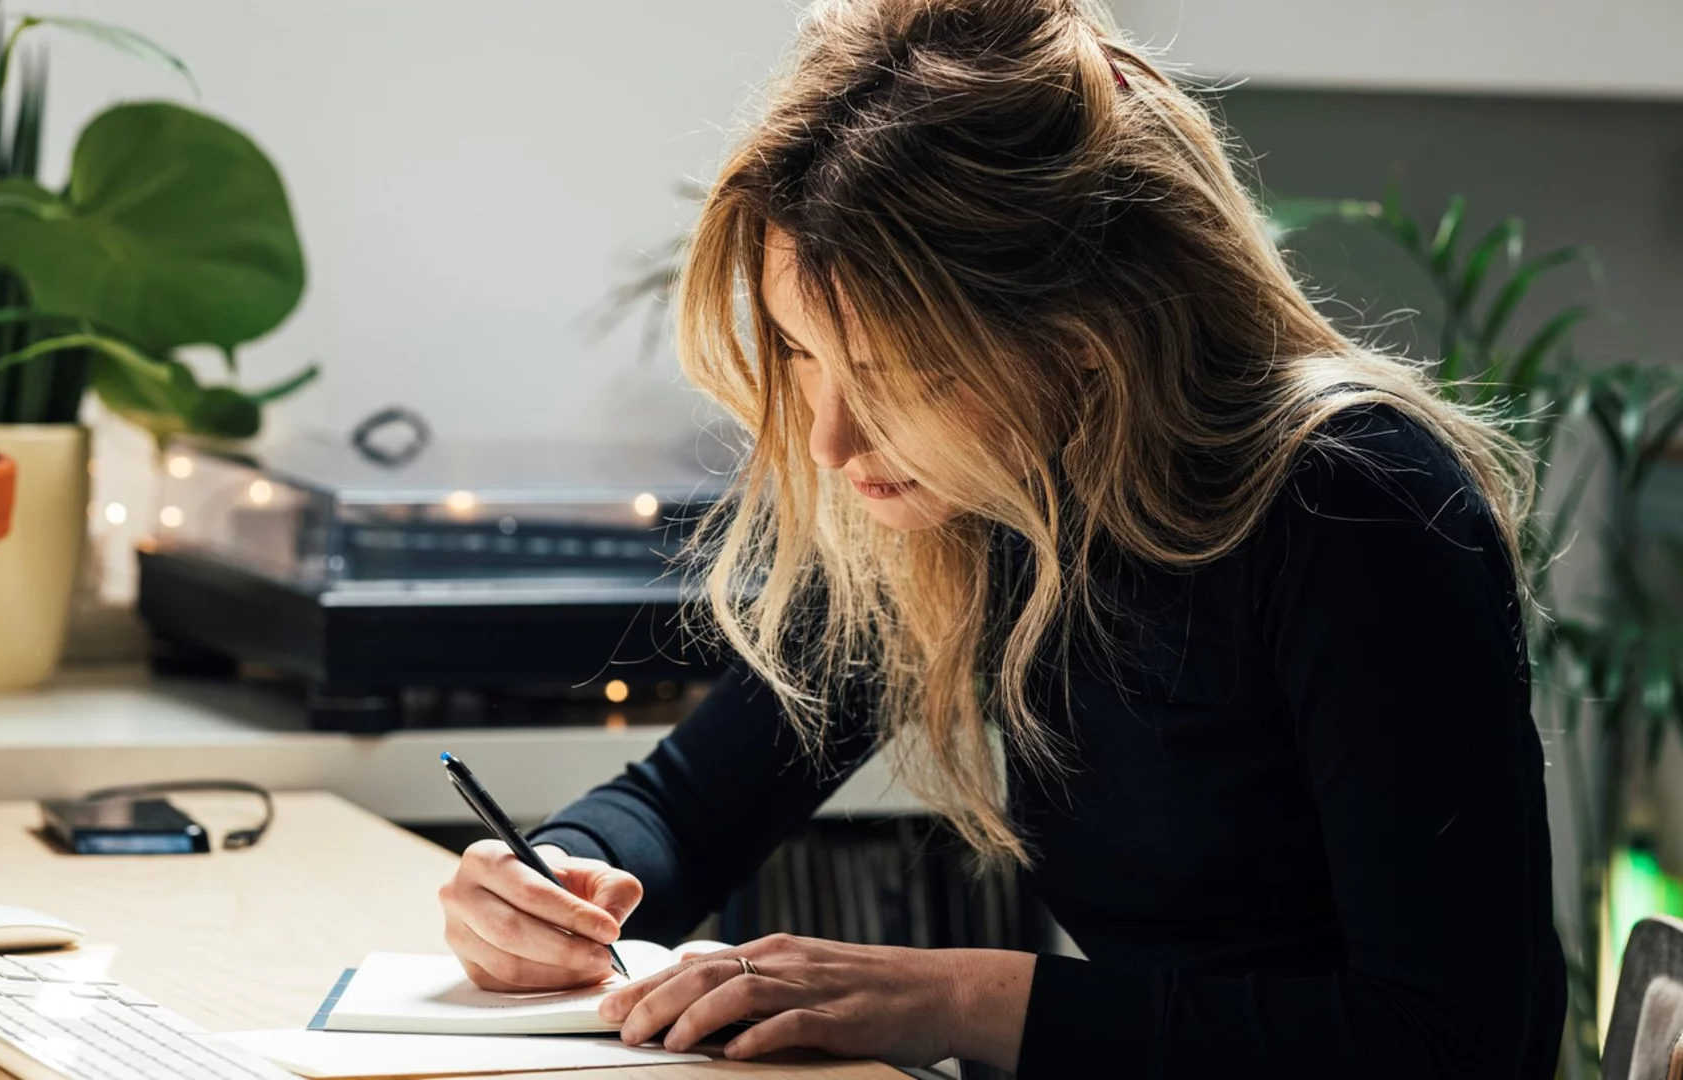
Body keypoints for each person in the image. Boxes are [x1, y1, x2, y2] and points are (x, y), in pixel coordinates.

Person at [437, 0, 1566, 1074]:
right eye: (800, 356)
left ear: (1084, 336)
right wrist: (563, 878)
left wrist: (961, 1000)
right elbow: (691, 803)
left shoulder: (1355, 506)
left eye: (890, 374)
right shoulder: (979, 497)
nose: (828, 442)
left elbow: (1447, 1044)